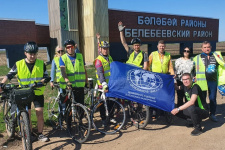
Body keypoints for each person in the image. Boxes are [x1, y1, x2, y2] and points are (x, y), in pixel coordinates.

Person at [0, 42, 49, 142]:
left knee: (39, 114)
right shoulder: (19, 64)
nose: (32, 56)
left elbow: (46, 77)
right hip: (24, 93)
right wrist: (1, 84)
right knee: (28, 114)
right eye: (30, 53)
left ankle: (40, 134)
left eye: (34, 53)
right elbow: (9, 75)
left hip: (37, 92)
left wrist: (42, 81)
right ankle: (29, 133)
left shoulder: (41, 63)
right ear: (25, 53)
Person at [193, 41, 225, 122]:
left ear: (211, 47)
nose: (207, 49)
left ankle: (212, 114)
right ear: (202, 48)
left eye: (208, 47)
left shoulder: (216, 56)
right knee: (202, 99)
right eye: (205, 47)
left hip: (213, 81)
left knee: (212, 98)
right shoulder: (197, 57)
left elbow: (222, 67)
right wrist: (193, 77)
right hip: (202, 81)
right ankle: (203, 114)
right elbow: (193, 69)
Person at [148, 40, 175, 118]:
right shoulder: (153, 54)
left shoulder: (168, 55)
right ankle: (153, 111)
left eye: (163, 46)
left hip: (164, 77)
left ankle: (162, 111)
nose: (161, 47)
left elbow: (170, 67)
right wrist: (150, 75)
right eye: (160, 46)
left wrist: (172, 75)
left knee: (163, 95)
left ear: (165, 47)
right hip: (155, 78)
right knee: (154, 95)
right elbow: (148, 65)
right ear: (157, 46)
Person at [94, 33, 115, 126]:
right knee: (103, 103)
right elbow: (100, 73)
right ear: (101, 49)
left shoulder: (109, 57)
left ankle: (111, 117)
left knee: (111, 102)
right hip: (102, 85)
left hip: (110, 84)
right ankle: (103, 119)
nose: (106, 50)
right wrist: (103, 84)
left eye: (107, 48)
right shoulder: (99, 60)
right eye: (104, 48)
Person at [59, 39, 88, 105]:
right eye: (68, 47)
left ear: (74, 47)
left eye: (71, 47)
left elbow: (84, 69)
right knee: (68, 108)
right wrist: (67, 81)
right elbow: (63, 71)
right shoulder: (63, 58)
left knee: (80, 108)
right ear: (66, 49)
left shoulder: (80, 56)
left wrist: (86, 81)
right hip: (69, 87)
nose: (70, 49)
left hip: (79, 86)